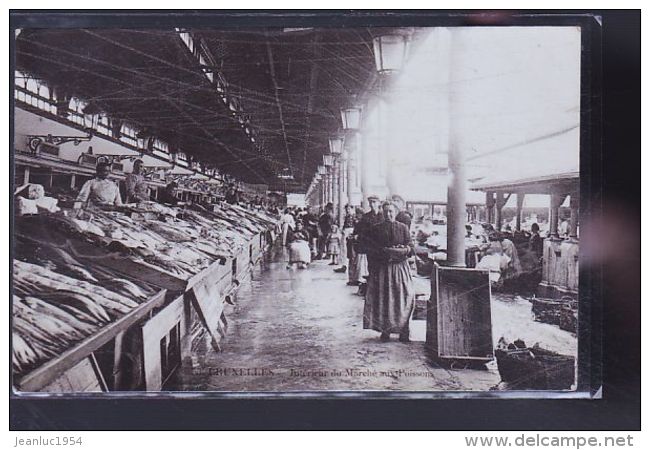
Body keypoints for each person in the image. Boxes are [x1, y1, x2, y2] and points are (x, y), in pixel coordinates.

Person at [363, 201, 415, 342]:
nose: (388, 214)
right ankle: (385, 330)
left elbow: (411, 246)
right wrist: (383, 252)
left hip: (400, 269)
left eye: (391, 211)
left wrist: (405, 250)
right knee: (385, 299)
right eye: (386, 211)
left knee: (404, 297)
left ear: (396, 212)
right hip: (383, 269)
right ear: (383, 212)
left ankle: (404, 330)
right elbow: (368, 247)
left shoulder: (403, 228)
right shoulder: (376, 229)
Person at [353, 195, 384, 294]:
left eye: (374, 202)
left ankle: (380, 289)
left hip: (381, 247)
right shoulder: (366, 217)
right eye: (370, 202)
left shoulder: (383, 216)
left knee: (381, 268)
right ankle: (372, 290)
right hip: (370, 247)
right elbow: (361, 232)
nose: (372, 204)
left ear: (379, 203)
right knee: (371, 267)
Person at [334, 204, 357, 274]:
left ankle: (346, 265)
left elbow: (354, 225)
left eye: (349, 209)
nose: (348, 210)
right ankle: (344, 265)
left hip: (350, 232)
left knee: (348, 250)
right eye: (347, 209)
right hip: (345, 232)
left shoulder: (354, 217)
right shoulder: (347, 216)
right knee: (344, 250)